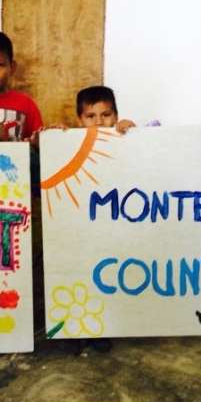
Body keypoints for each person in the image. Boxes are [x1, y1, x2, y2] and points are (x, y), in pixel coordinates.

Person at [43, 85, 139, 354]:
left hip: (110, 228)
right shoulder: (70, 142)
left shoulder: (124, 138)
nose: (99, 122)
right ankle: (74, 329)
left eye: (106, 114)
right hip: (75, 229)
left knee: (105, 277)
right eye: (90, 116)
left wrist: (135, 131)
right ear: (79, 120)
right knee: (74, 274)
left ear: (116, 114)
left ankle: (101, 327)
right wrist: (53, 139)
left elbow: (145, 157)